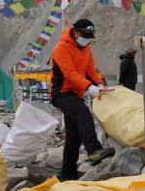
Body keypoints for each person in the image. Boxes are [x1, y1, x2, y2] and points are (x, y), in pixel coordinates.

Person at [50, 18, 115, 181]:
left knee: (74, 136)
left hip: (76, 93)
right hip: (61, 93)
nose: (86, 39)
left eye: (89, 36)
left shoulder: (86, 48)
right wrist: (89, 87)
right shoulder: (60, 48)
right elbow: (69, 73)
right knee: (83, 113)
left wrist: (99, 84)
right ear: (76, 32)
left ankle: (67, 174)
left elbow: (90, 70)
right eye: (84, 35)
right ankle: (94, 150)